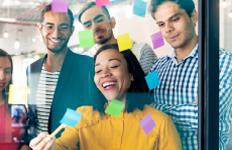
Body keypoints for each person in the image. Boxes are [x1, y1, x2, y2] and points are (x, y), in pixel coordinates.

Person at [29, 44, 182, 150]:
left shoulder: (156, 121)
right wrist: (49, 146)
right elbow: (63, 145)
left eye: (114, 66)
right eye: (98, 70)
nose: (105, 74)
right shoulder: (80, 114)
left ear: (131, 74)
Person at [149, 0, 232, 149]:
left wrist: (155, 110)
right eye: (161, 24)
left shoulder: (222, 62)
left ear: (194, 17)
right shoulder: (157, 68)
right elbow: (141, 112)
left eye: (175, 19)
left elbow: (203, 116)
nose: (168, 29)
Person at [23, 3, 105, 144]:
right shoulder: (32, 69)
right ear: (40, 28)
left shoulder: (88, 66)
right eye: (49, 26)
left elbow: (98, 112)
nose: (56, 34)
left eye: (63, 27)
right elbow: (32, 114)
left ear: (72, 30)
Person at [77, 2, 157, 74]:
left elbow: (154, 86)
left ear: (112, 22)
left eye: (99, 20)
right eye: (88, 25)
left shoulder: (141, 51)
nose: (94, 27)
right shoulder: (83, 62)